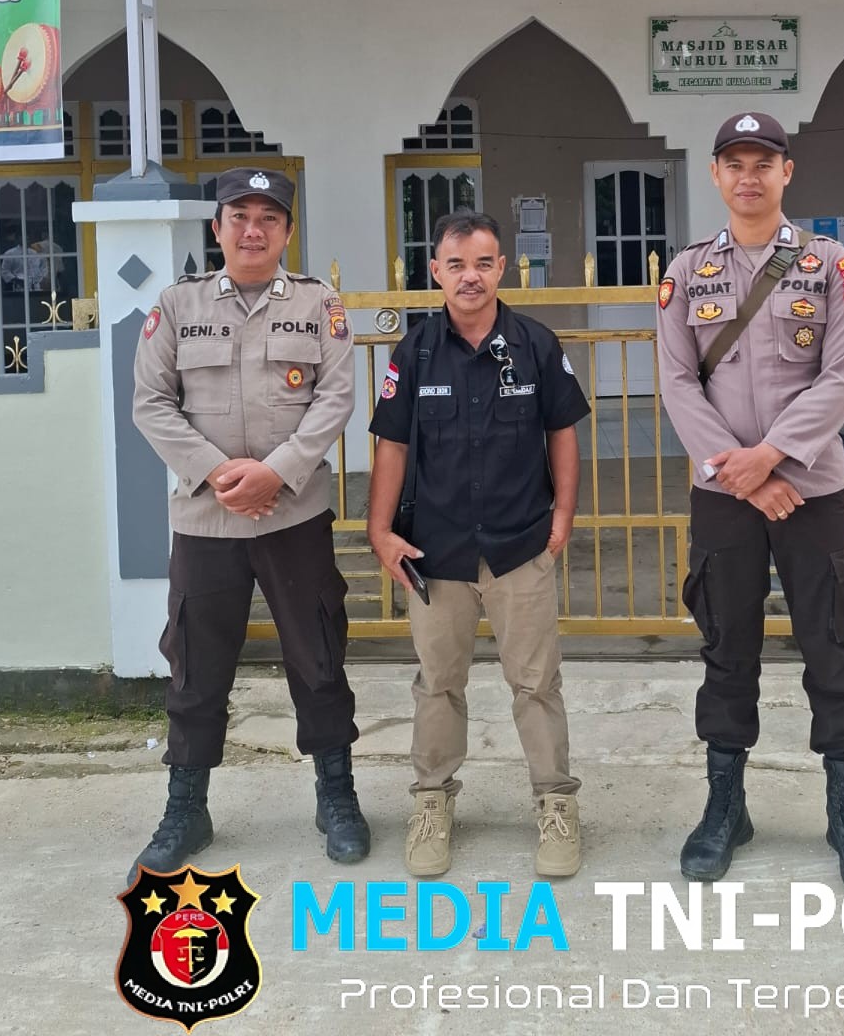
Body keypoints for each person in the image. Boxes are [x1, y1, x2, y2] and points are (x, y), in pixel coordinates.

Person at [656, 112, 844, 887]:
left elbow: (842, 377)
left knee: (831, 646)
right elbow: (678, 382)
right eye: (735, 164)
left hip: (811, 491)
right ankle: (725, 808)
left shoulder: (829, 265)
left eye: (763, 163)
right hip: (725, 495)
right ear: (716, 175)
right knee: (727, 647)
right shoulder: (687, 272)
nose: (749, 177)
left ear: (787, 172)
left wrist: (772, 458)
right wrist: (743, 474)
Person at [130, 167, 368, 884]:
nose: (253, 230)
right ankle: (186, 808)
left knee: (317, 656)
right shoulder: (178, 305)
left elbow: (335, 398)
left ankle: (336, 797)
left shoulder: (320, 306)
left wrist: (277, 472)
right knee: (196, 668)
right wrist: (218, 474)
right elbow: (151, 402)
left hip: (293, 514)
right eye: (240, 216)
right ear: (218, 228)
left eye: (269, 218)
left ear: (288, 231)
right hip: (206, 520)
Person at [367, 211, 590, 880]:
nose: (471, 276)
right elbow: (392, 445)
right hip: (437, 552)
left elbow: (562, 433)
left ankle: (556, 804)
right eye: (457, 264)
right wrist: (380, 530)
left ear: (502, 269)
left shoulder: (535, 345)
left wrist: (563, 518)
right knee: (439, 684)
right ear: (435, 270)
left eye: (484, 263)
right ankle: (432, 802)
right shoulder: (414, 352)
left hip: (520, 545)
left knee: (537, 682)